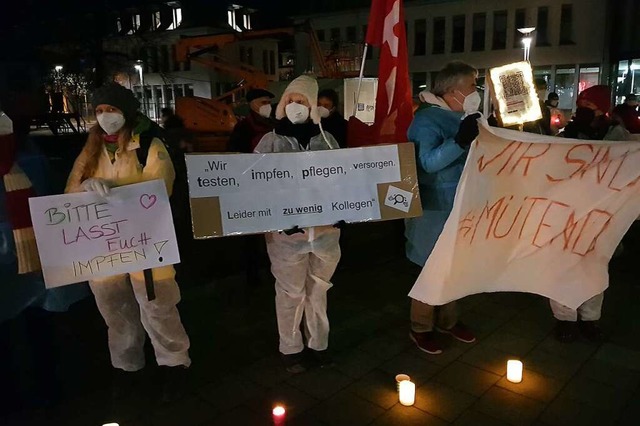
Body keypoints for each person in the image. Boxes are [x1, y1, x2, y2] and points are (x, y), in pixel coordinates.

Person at [65, 83, 191, 401]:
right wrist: (87, 187)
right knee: (115, 310)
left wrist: (116, 187)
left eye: (113, 109)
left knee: (159, 306)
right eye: (100, 110)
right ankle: (127, 368)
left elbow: (162, 183)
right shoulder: (91, 148)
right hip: (104, 246)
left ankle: (174, 365)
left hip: (147, 244)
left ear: (127, 112)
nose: (106, 116)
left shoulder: (148, 143)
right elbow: (70, 192)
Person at [254, 75, 341, 373]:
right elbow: (255, 185)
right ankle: (290, 347)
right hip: (286, 238)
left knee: (318, 290)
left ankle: (319, 344)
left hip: (325, 233)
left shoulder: (327, 140)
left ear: (313, 105)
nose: (295, 106)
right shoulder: (271, 141)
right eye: (290, 100)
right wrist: (279, 218)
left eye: (301, 101)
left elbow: (343, 181)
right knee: (291, 291)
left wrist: (344, 209)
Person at [405, 61, 479, 355]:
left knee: (453, 266)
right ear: (453, 90)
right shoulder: (426, 121)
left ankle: (448, 320)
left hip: (460, 204)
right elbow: (428, 163)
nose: (477, 91)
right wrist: (460, 140)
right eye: (472, 85)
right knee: (431, 268)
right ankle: (420, 326)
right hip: (434, 208)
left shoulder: (464, 115)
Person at [552, 85, 612, 343]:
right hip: (569, 210)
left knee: (594, 268)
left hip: (602, 212)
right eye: (581, 107)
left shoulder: (615, 134)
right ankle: (565, 318)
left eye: (590, 107)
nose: (584, 111)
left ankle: (590, 318)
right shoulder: (570, 133)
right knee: (564, 266)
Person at [228, 88, 276, 153]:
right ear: (254, 104)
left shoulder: (273, 121)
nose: (267, 106)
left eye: (269, 103)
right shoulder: (244, 125)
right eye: (264, 102)